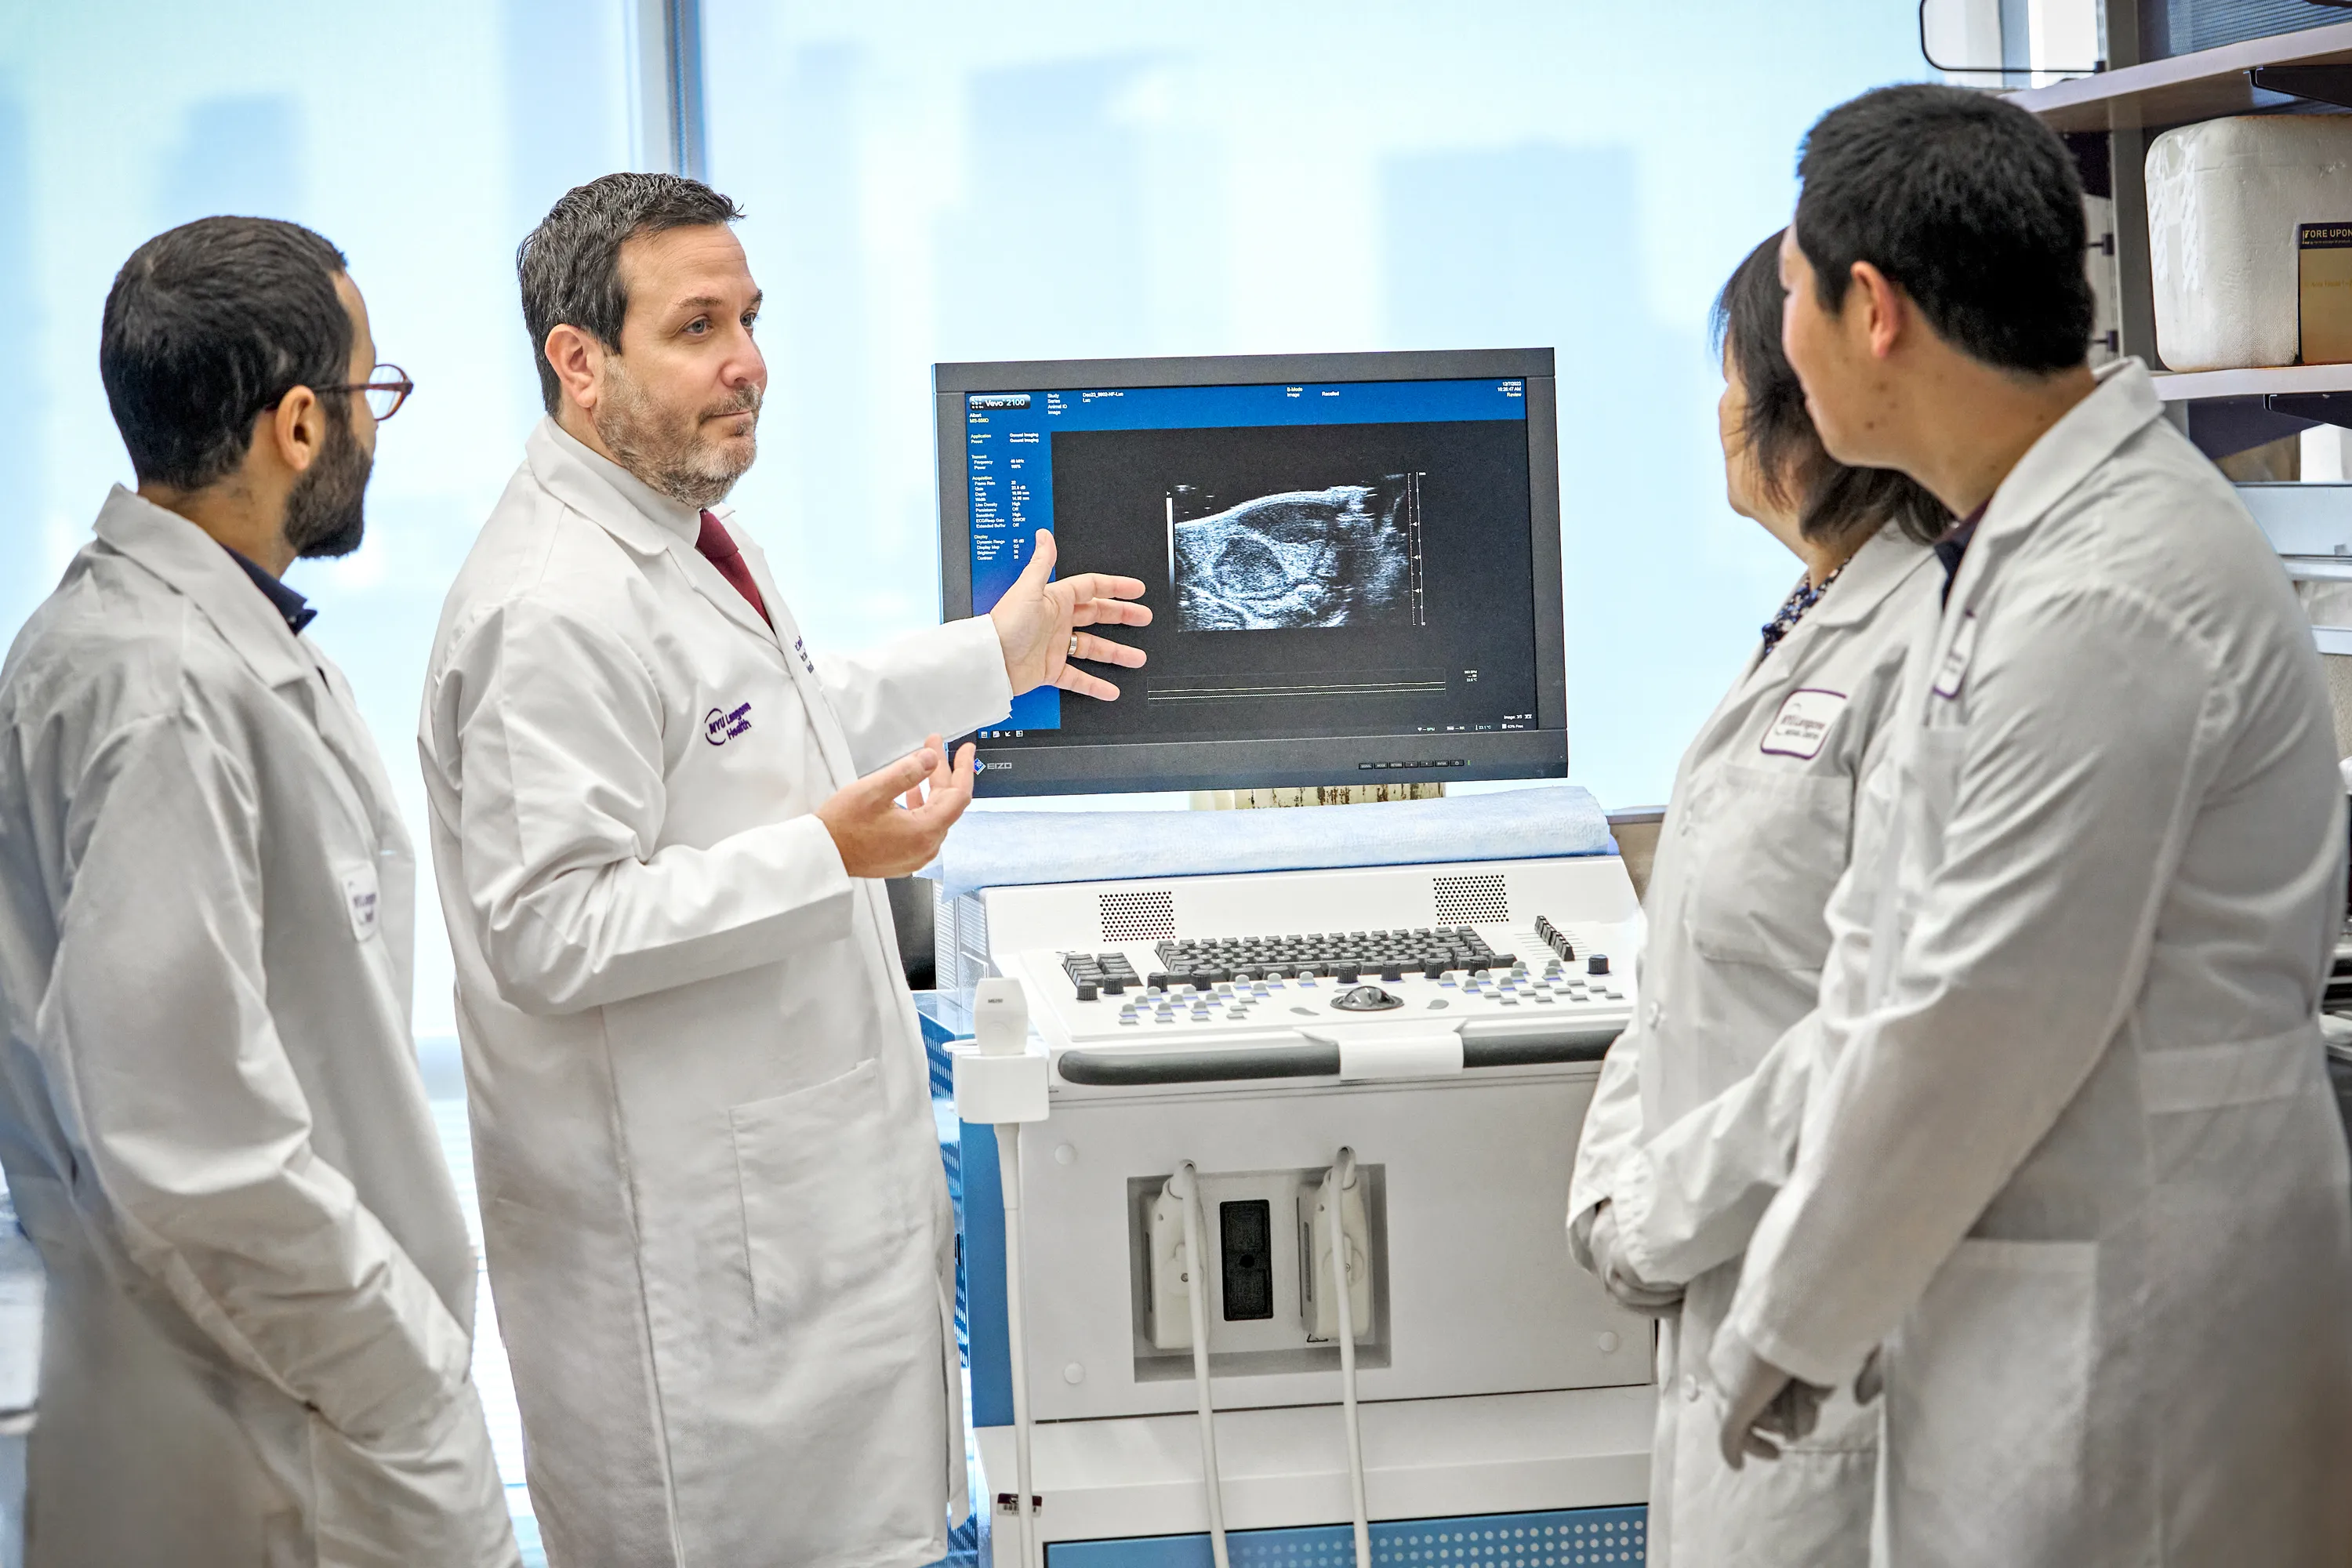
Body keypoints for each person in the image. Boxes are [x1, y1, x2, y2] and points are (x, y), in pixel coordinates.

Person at [419, 173, 1149, 1568]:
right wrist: (831, 853)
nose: (748, 360)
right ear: (581, 362)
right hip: (696, 1305)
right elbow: (551, 931)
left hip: (796, 1252)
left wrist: (998, 657)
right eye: (698, 326)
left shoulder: (677, 529)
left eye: (750, 317)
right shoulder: (551, 609)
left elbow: (768, 718)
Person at [1700, 85, 2352, 1562]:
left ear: (1873, 313)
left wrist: (1783, 1319)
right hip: (2044, 1303)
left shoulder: (2111, 590)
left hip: (2148, 1337)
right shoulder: (2006, 552)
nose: (1776, 344)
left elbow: (1973, 1015)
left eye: (1791, 293)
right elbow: (1889, 942)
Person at [0, 219, 517, 1566]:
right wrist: (400, 1369)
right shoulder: (164, 686)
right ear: (298, 424)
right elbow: (191, 1149)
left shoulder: (159, 641)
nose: (372, 431)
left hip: (250, 1401)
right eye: (367, 394)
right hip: (286, 1431)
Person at [1565, 232, 1945, 1566]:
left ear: (1799, 396)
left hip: (1835, 1329)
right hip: (1724, 1277)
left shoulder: (1928, 645)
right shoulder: (1816, 619)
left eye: (1732, 371)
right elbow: (1688, 974)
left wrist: (1656, 1213)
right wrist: (1618, 1187)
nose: (1719, 408)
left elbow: (1887, 1028)